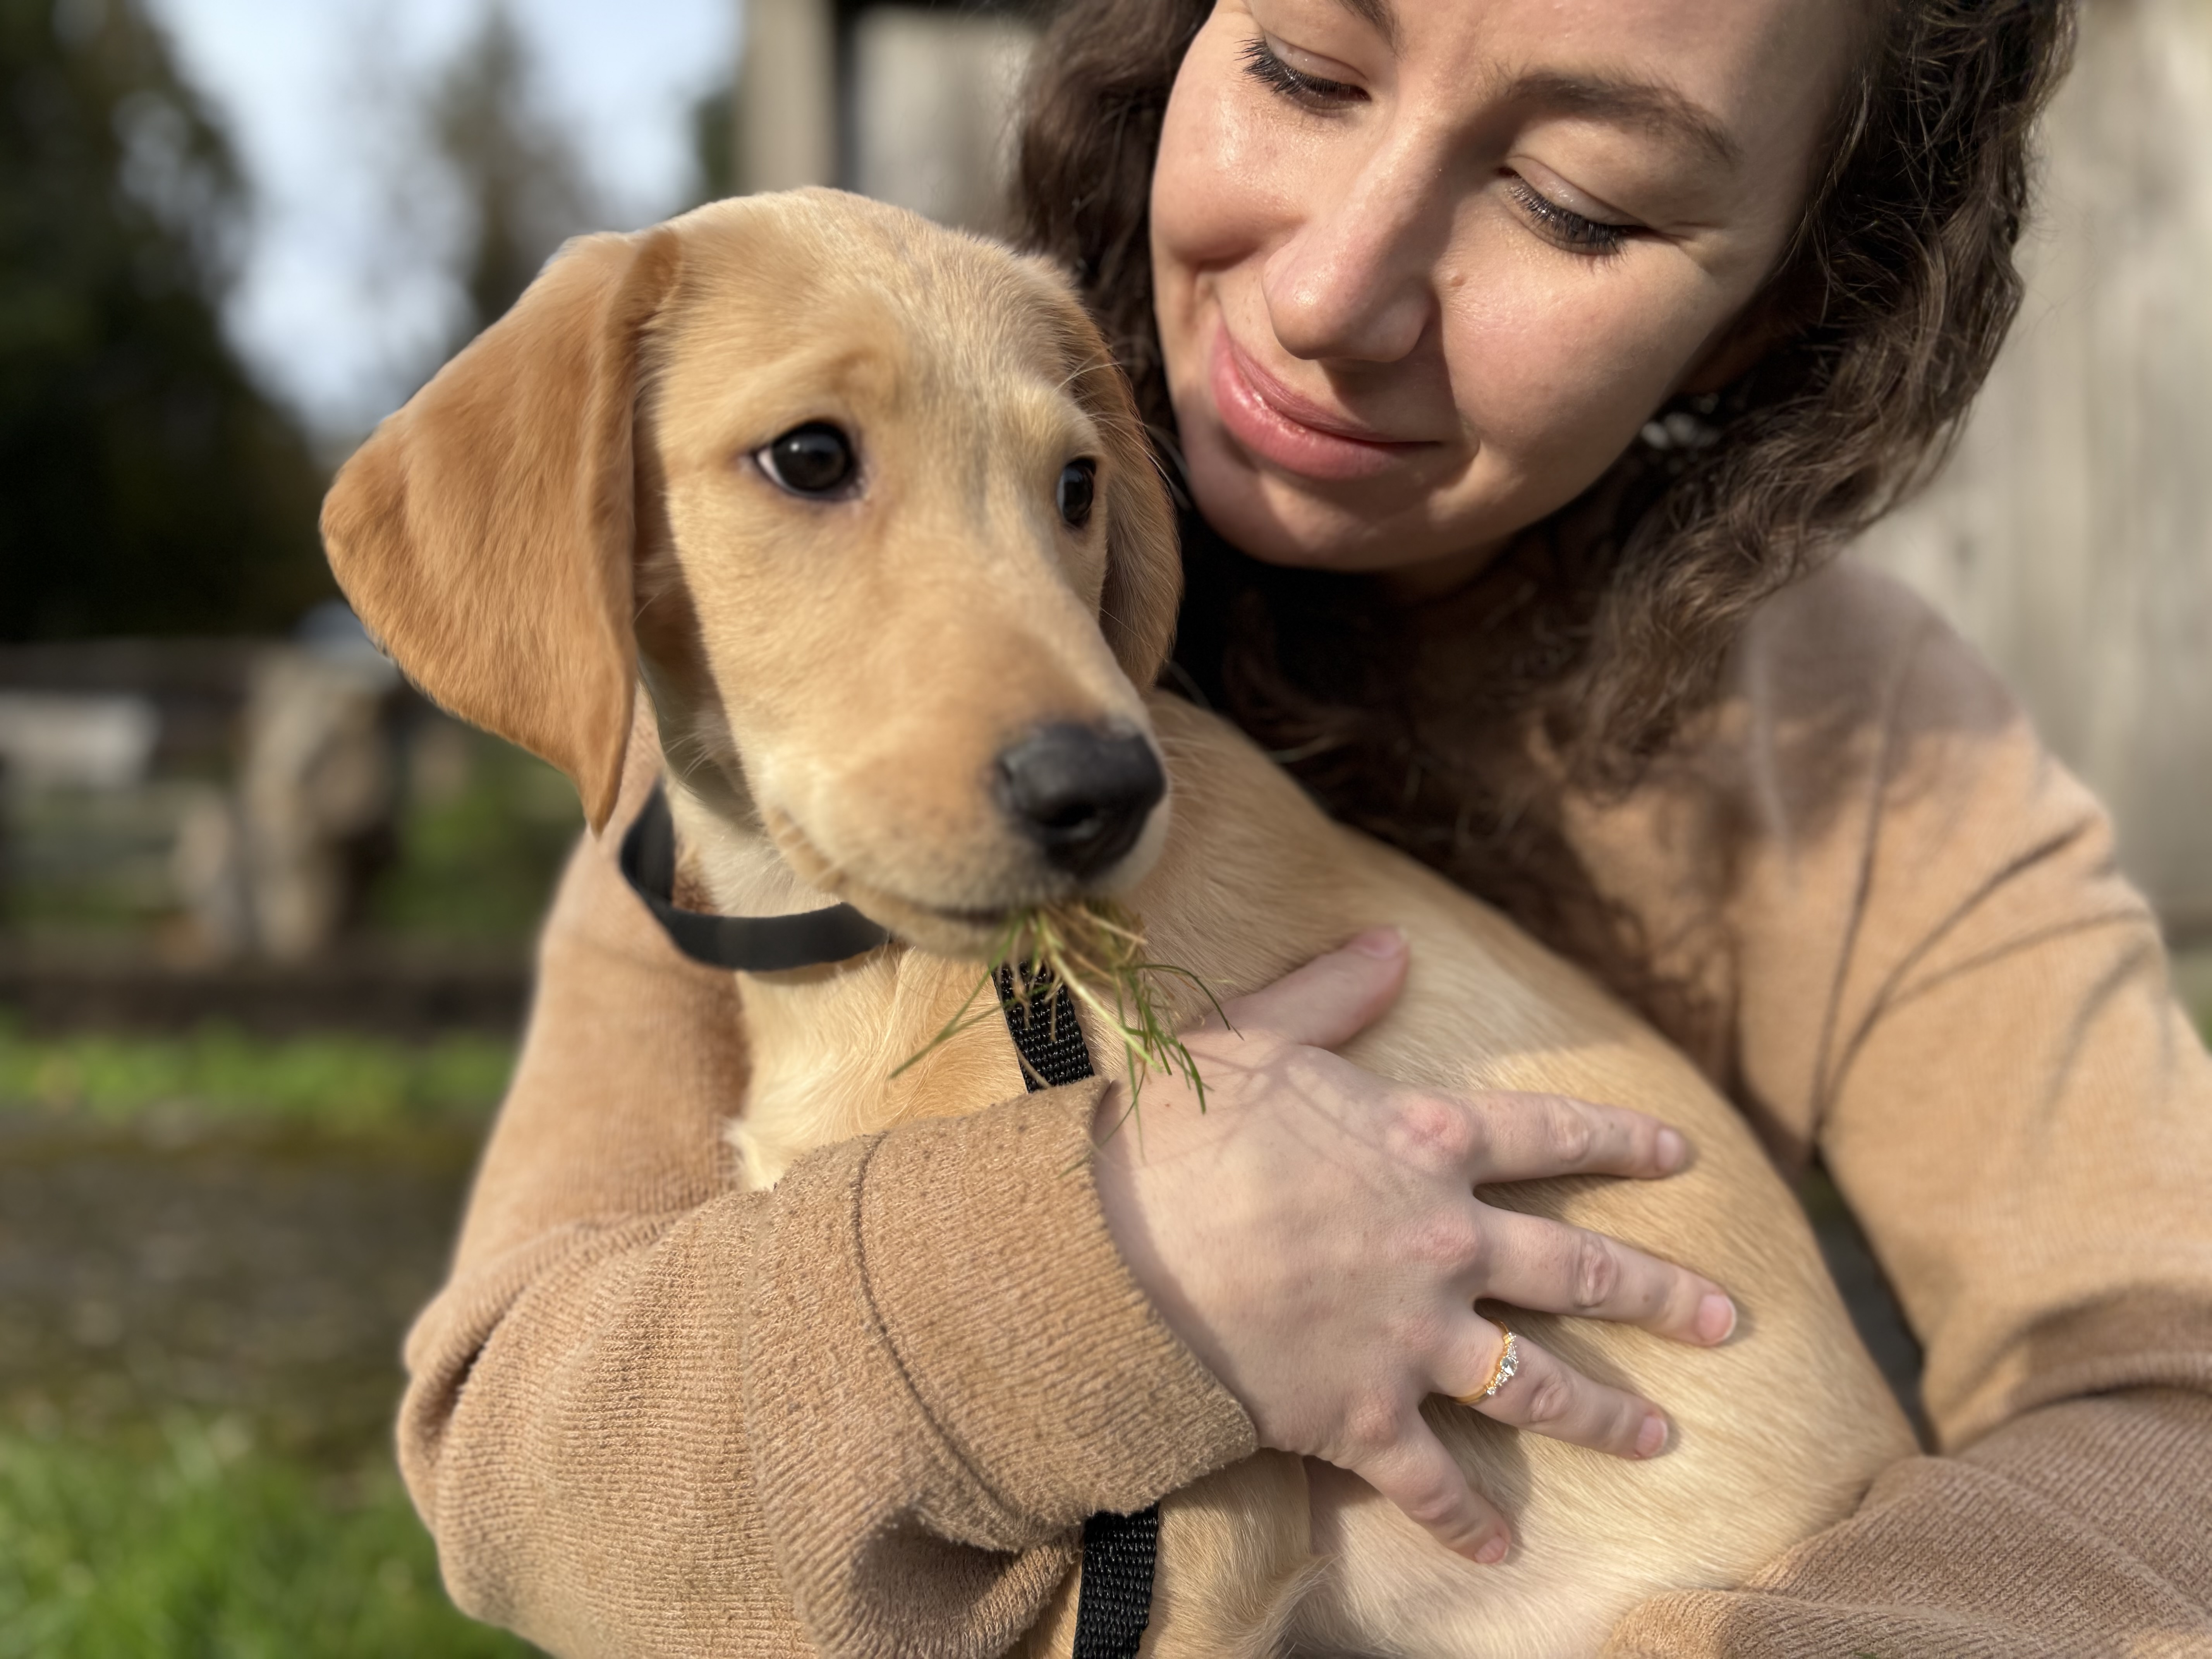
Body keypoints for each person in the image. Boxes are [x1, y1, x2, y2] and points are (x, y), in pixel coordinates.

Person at [395, 0, 2212, 1653]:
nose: (1340, 291)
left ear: (1766, 316)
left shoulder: (1867, 744)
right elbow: (529, 1475)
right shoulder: (738, 771)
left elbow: (2176, 1398)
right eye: (1304, 71)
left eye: (1577, 201)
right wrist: (1108, 1266)